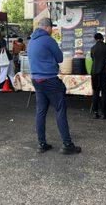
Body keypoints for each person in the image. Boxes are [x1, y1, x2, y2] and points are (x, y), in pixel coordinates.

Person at [28, 18, 81, 155]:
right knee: (60, 109)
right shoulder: (48, 40)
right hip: (50, 80)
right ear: (47, 27)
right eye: (52, 27)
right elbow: (60, 58)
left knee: (40, 112)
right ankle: (67, 144)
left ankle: (41, 144)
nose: (52, 30)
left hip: (36, 80)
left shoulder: (31, 41)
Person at [90, 32, 106, 119]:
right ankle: (103, 113)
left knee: (95, 92)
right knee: (104, 93)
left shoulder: (93, 48)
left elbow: (92, 58)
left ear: (95, 39)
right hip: (104, 72)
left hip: (94, 72)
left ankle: (95, 113)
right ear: (102, 38)